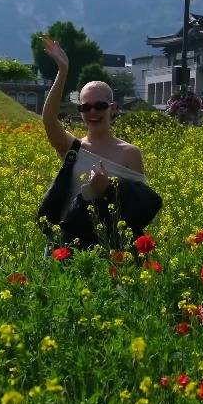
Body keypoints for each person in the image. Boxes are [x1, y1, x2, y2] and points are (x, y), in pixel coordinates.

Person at [36, 35, 160, 251]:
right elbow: (48, 120)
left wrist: (106, 189)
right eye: (86, 107)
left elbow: (138, 208)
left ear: (113, 108)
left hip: (112, 249)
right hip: (68, 247)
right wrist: (62, 72)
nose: (92, 112)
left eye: (100, 105)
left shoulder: (130, 153)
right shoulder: (71, 147)